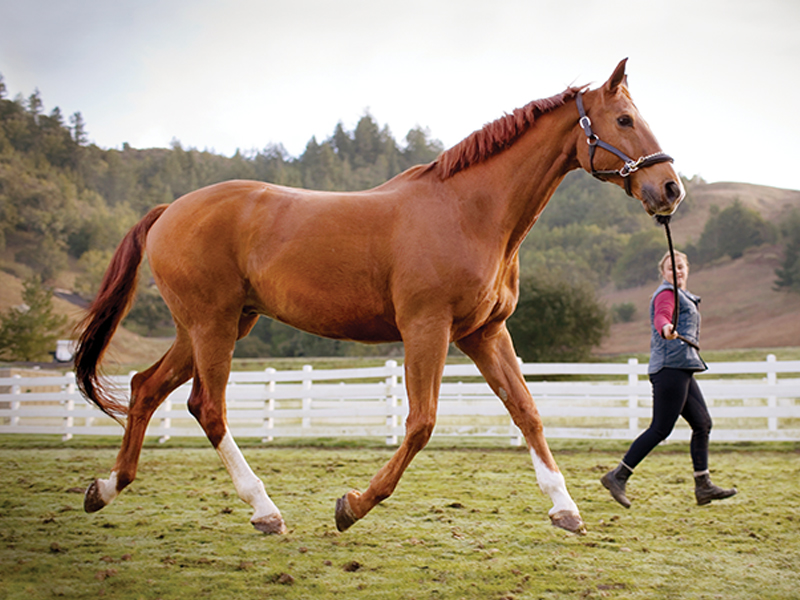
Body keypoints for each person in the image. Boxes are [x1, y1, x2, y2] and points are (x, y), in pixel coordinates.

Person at [601, 250, 737, 508]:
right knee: (661, 428)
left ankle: (703, 486)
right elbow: (662, 315)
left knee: (702, 423)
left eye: (681, 267)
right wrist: (666, 329)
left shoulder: (684, 295)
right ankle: (618, 476)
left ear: (688, 269)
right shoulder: (667, 293)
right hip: (670, 368)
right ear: (663, 273)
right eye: (671, 268)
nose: (677, 272)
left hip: (682, 367)